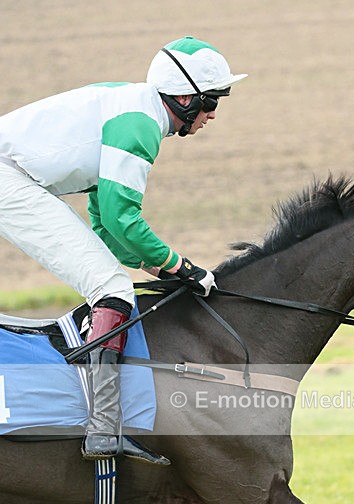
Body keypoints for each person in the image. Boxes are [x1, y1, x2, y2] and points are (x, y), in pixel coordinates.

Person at [0, 36, 247, 465]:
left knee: (111, 279)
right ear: (185, 98)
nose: (212, 114)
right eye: (211, 101)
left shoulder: (134, 106)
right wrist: (181, 266)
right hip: (10, 180)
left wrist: (158, 267)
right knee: (112, 288)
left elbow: (103, 222)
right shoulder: (140, 125)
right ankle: (103, 429)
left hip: (14, 177)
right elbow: (121, 218)